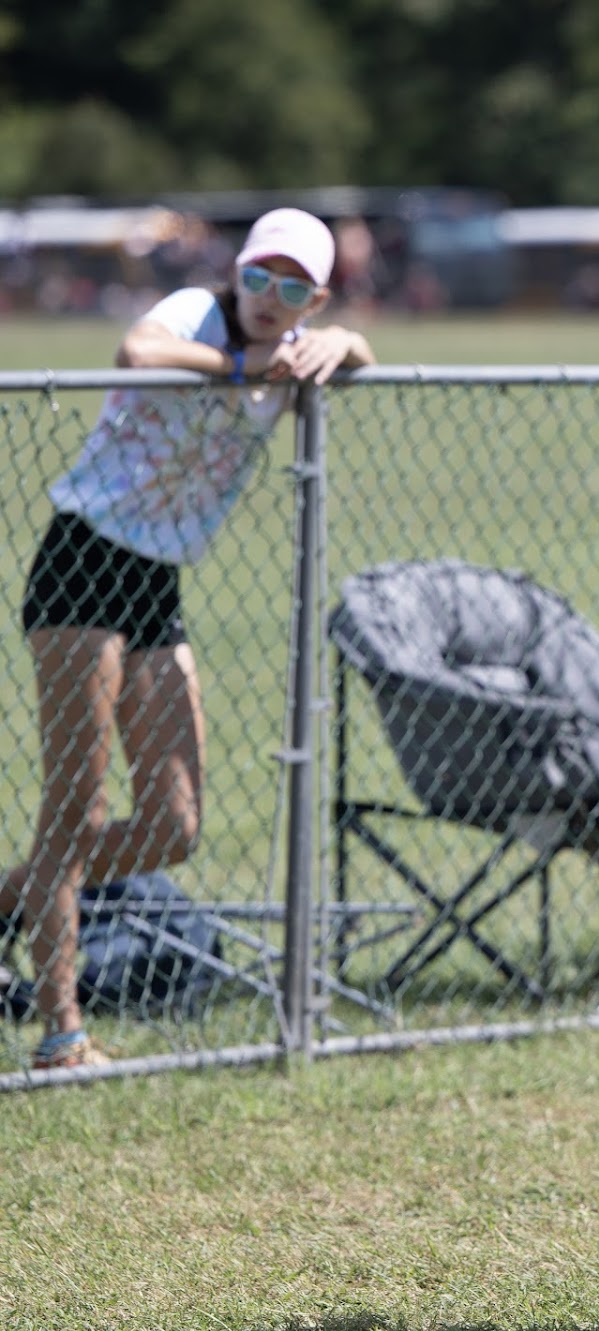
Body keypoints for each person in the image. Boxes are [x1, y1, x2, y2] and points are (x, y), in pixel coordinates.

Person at [3, 207, 376, 1071]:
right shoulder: (198, 315)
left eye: (294, 289)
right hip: (84, 563)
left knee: (174, 824)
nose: (269, 297)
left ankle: (15, 899)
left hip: (157, 582)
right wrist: (243, 366)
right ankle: (62, 1032)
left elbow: (357, 357)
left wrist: (343, 342)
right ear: (236, 271)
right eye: (258, 276)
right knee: (77, 807)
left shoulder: (301, 350)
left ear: (315, 299)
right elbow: (136, 351)